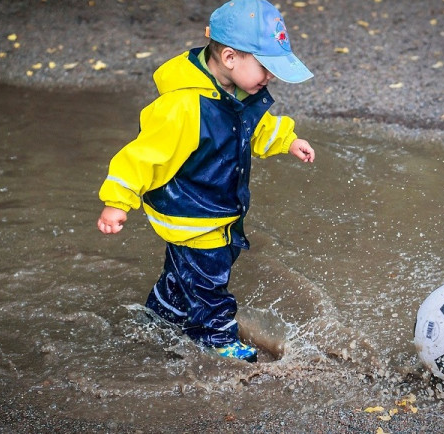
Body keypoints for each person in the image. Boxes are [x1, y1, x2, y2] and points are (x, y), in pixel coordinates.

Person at [96, 0, 314, 363]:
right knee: (211, 285)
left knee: (182, 275)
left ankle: (159, 317)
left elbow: (254, 129)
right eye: (266, 67)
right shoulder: (183, 107)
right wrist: (117, 202)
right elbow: (143, 155)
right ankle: (214, 339)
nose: (270, 78)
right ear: (230, 58)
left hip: (212, 210)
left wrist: (288, 140)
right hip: (196, 215)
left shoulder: (236, 94)